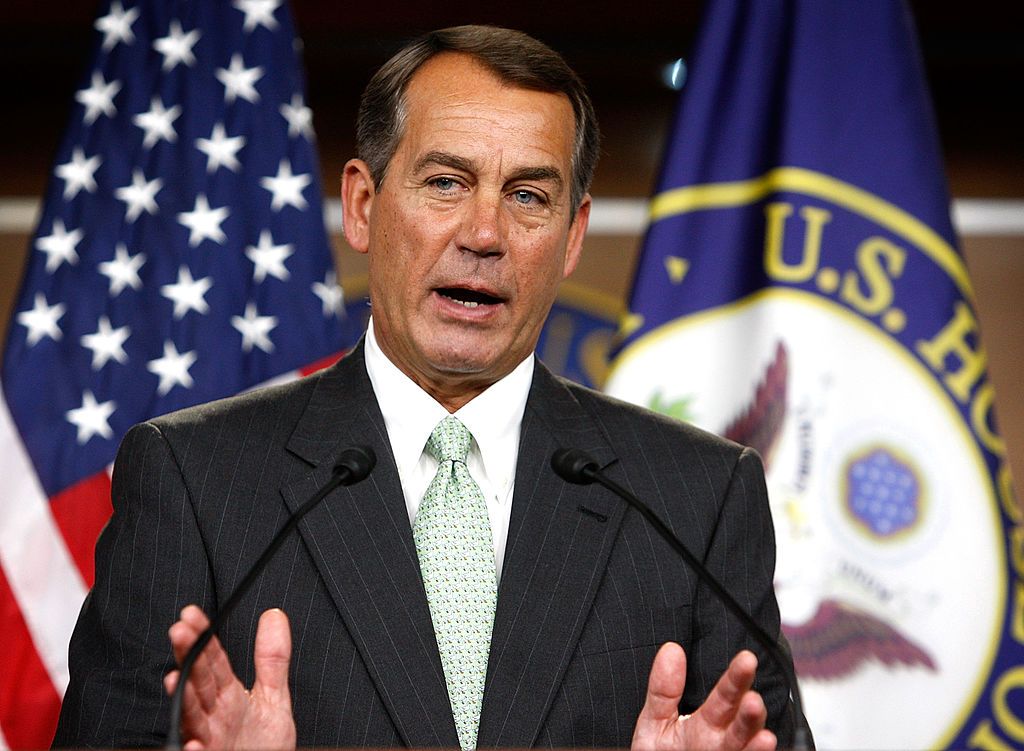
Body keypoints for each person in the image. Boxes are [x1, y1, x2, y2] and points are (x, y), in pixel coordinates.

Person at [54, 26, 805, 751]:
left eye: (528, 196)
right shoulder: (194, 478)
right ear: (362, 204)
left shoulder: (696, 497)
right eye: (446, 182)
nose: (484, 233)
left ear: (573, 234)